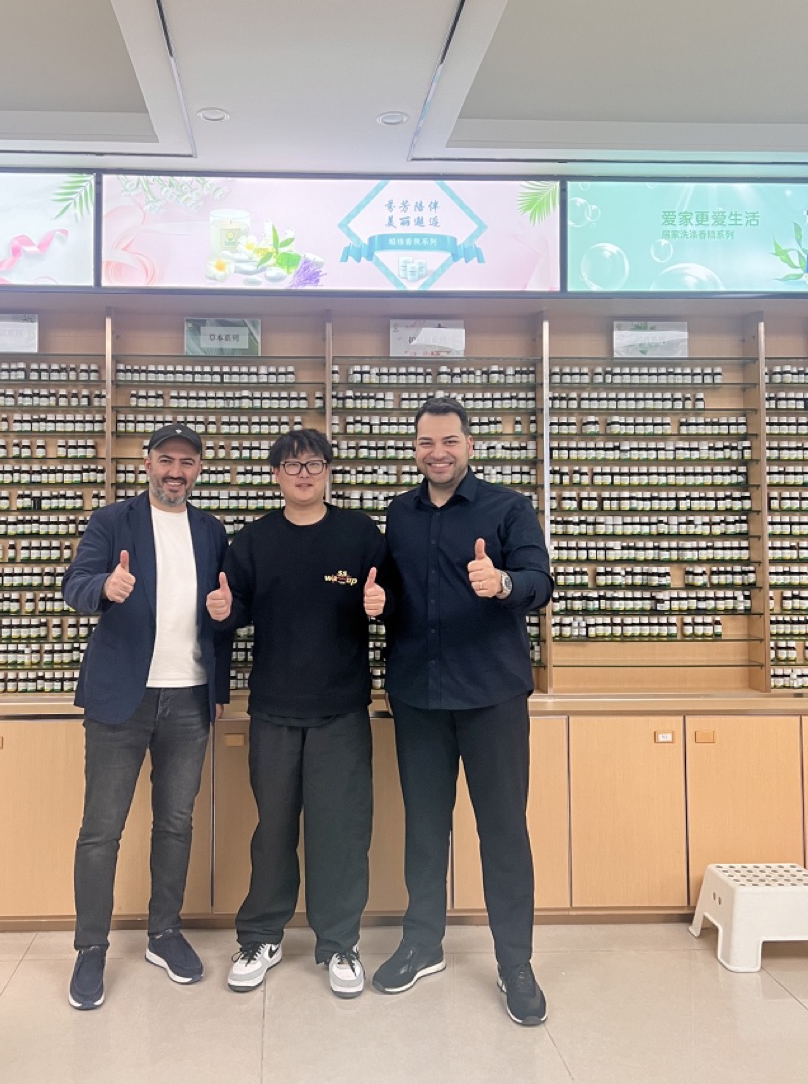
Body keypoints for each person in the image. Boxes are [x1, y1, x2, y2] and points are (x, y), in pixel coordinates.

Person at [372, 396, 553, 1026]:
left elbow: (540, 580)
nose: (437, 452)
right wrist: (377, 602)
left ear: (469, 445)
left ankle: (515, 963)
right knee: (425, 826)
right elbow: (398, 597)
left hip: (491, 697)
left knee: (503, 829)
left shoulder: (508, 508)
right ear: (415, 447)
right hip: (418, 695)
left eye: (448, 440)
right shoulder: (399, 513)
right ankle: (423, 943)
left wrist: (502, 583)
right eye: (425, 442)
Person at [205, 428, 388, 998]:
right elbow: (232, 609)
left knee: (341, 830)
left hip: (341, 709)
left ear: (329, 470)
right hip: (275, 711)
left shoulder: (359, 534)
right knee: (274, 829)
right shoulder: (254, 540)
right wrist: (222, 609)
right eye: (290, 465)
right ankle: (261, 934)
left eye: (312, 464)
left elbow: (394, 599)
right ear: (276, 475)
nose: (302, 473)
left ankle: (339, 943)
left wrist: (385, 604)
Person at [62, 422, 230, 1010]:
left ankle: (163, 932)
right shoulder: (112, 522)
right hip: (121, 699)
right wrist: (105, 587)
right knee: (101, 829)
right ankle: (90, 949)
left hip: (189, 697)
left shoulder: (211, 530)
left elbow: (223, 612)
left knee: (176, 823)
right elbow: (74, 585)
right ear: (147, 462)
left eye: (187, 461)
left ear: (199, 469)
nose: (175, 471)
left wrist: (227, 614)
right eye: (166, 459)